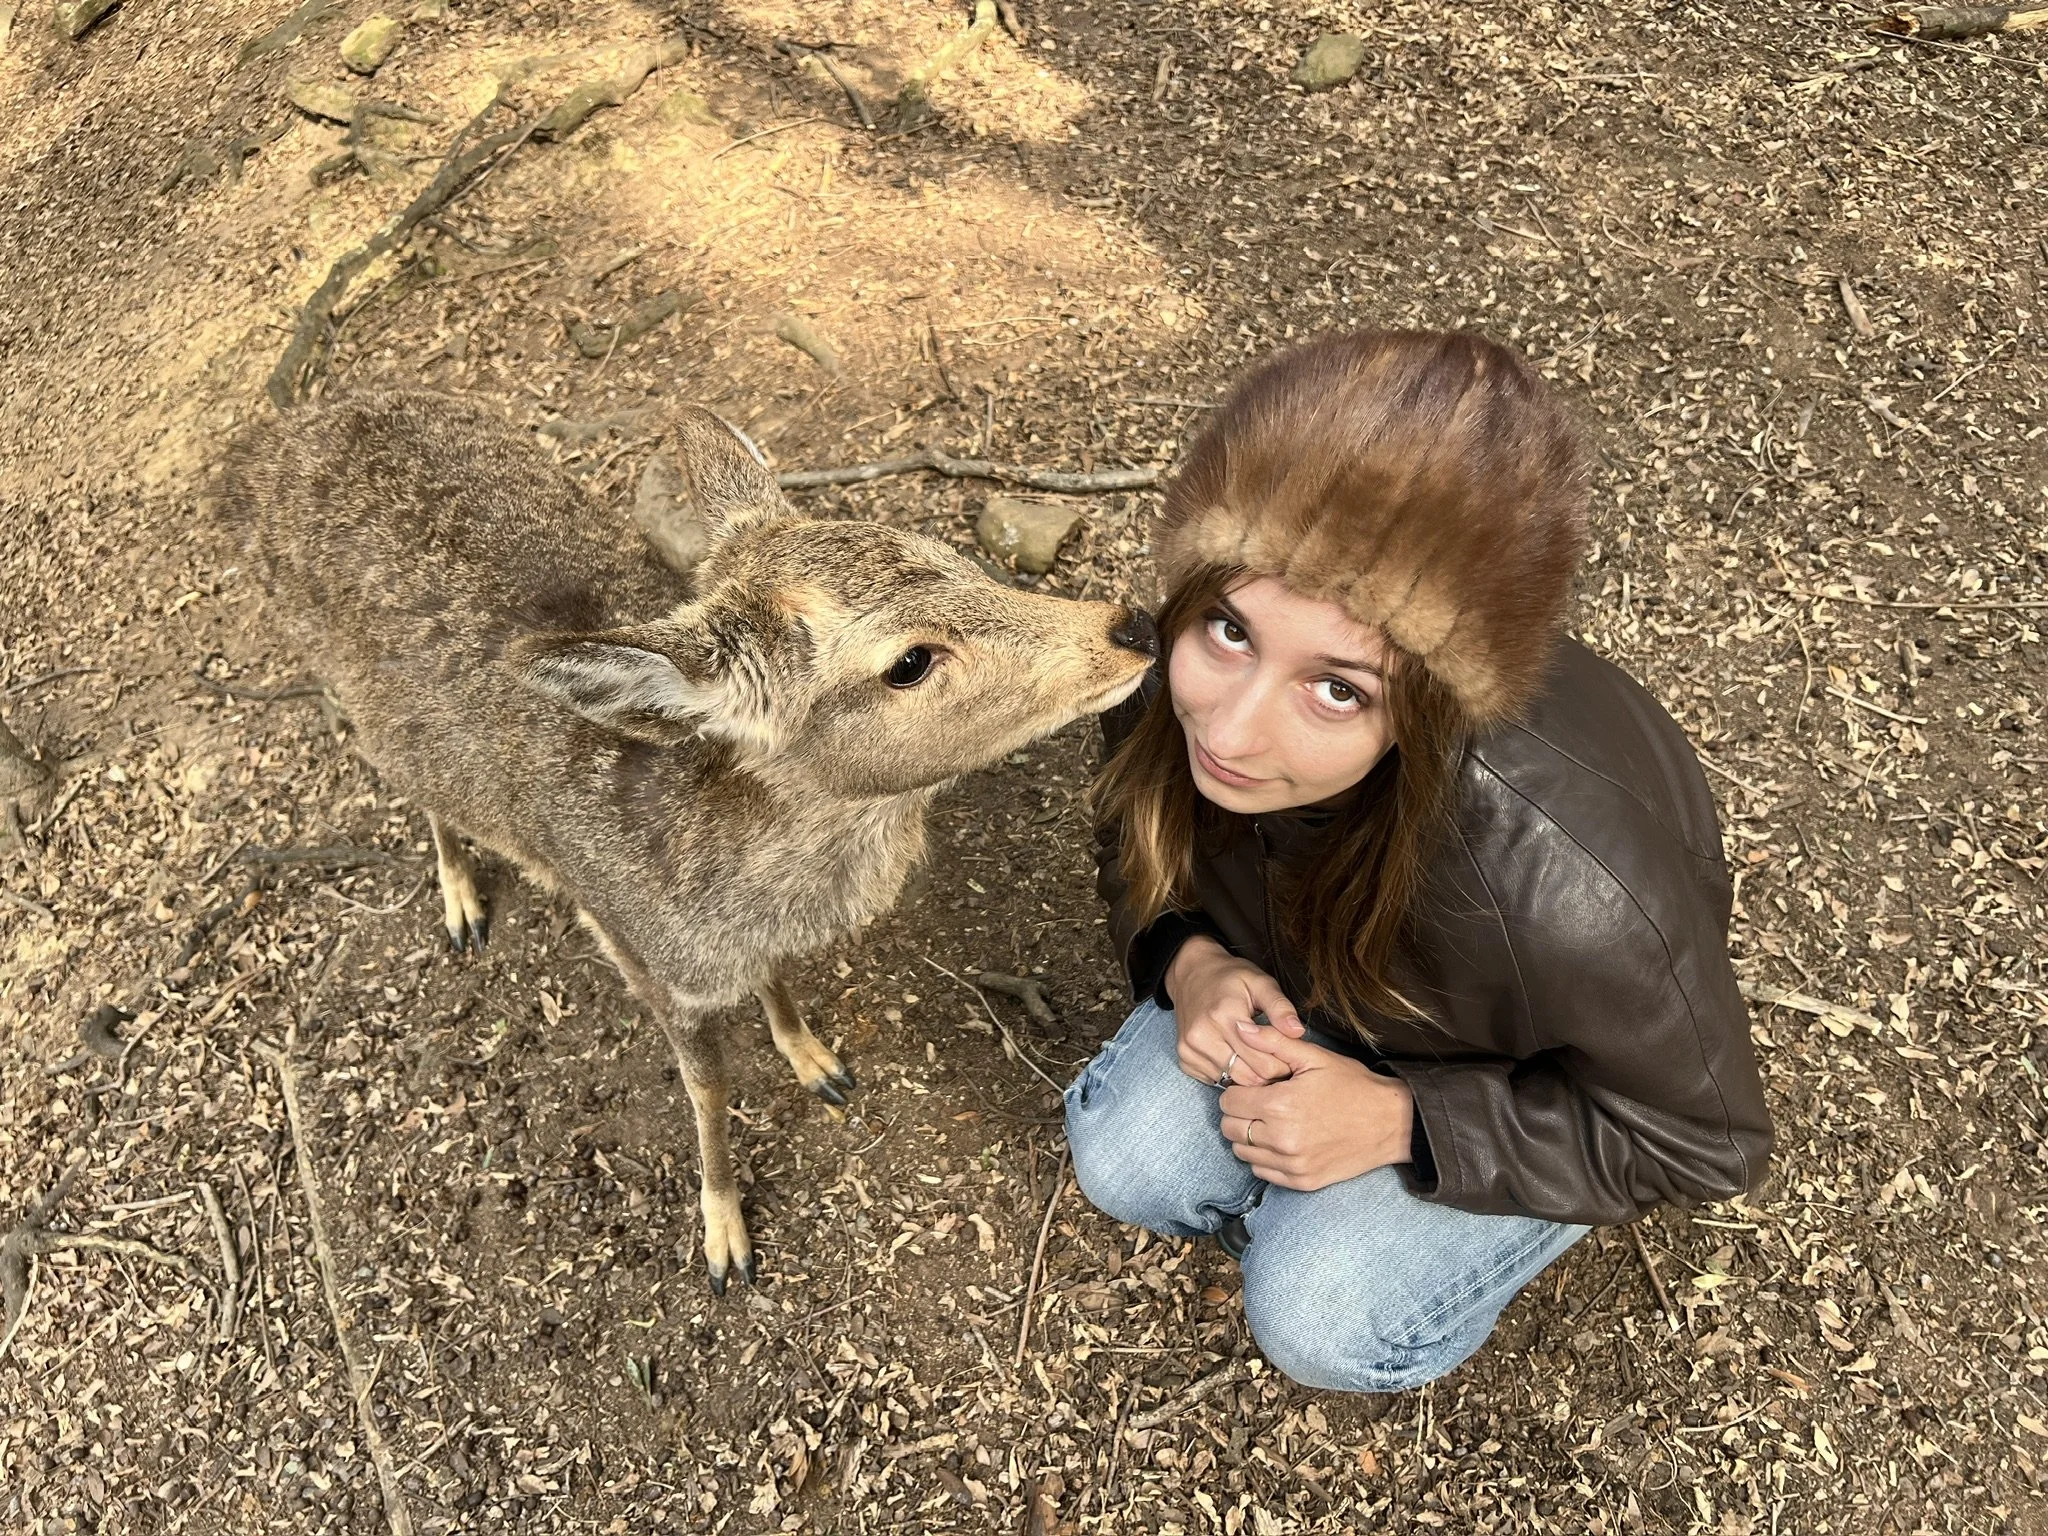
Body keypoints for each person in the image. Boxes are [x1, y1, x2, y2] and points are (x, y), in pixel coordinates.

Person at [1065, 329, 1772, 1393]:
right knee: (1129, 1163)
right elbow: (1133, 828)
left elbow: (1703, 1142)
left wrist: (1404, 1122)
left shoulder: (1565, 890)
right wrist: (1187, 960)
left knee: (1317, 1314)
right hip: (1319, 985)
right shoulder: (1172, 677)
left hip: (1500, 1069)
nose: (1230, 729)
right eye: (1230, 630)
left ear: (1433, 705)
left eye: (1336, 688)